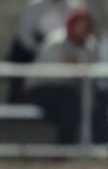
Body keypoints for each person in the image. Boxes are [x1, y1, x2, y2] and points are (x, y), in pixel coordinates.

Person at [24, 7, 99, 144]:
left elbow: (89, 75)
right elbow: (53, 76)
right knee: (69, 103)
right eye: (78, 26)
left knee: (97, 100)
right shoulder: (56, 42)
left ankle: (97, 146)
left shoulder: (90, 45)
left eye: (85, 26)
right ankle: (64, 147)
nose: (81, 30)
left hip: (70, 89)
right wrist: (73, 70)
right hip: (40, 88)